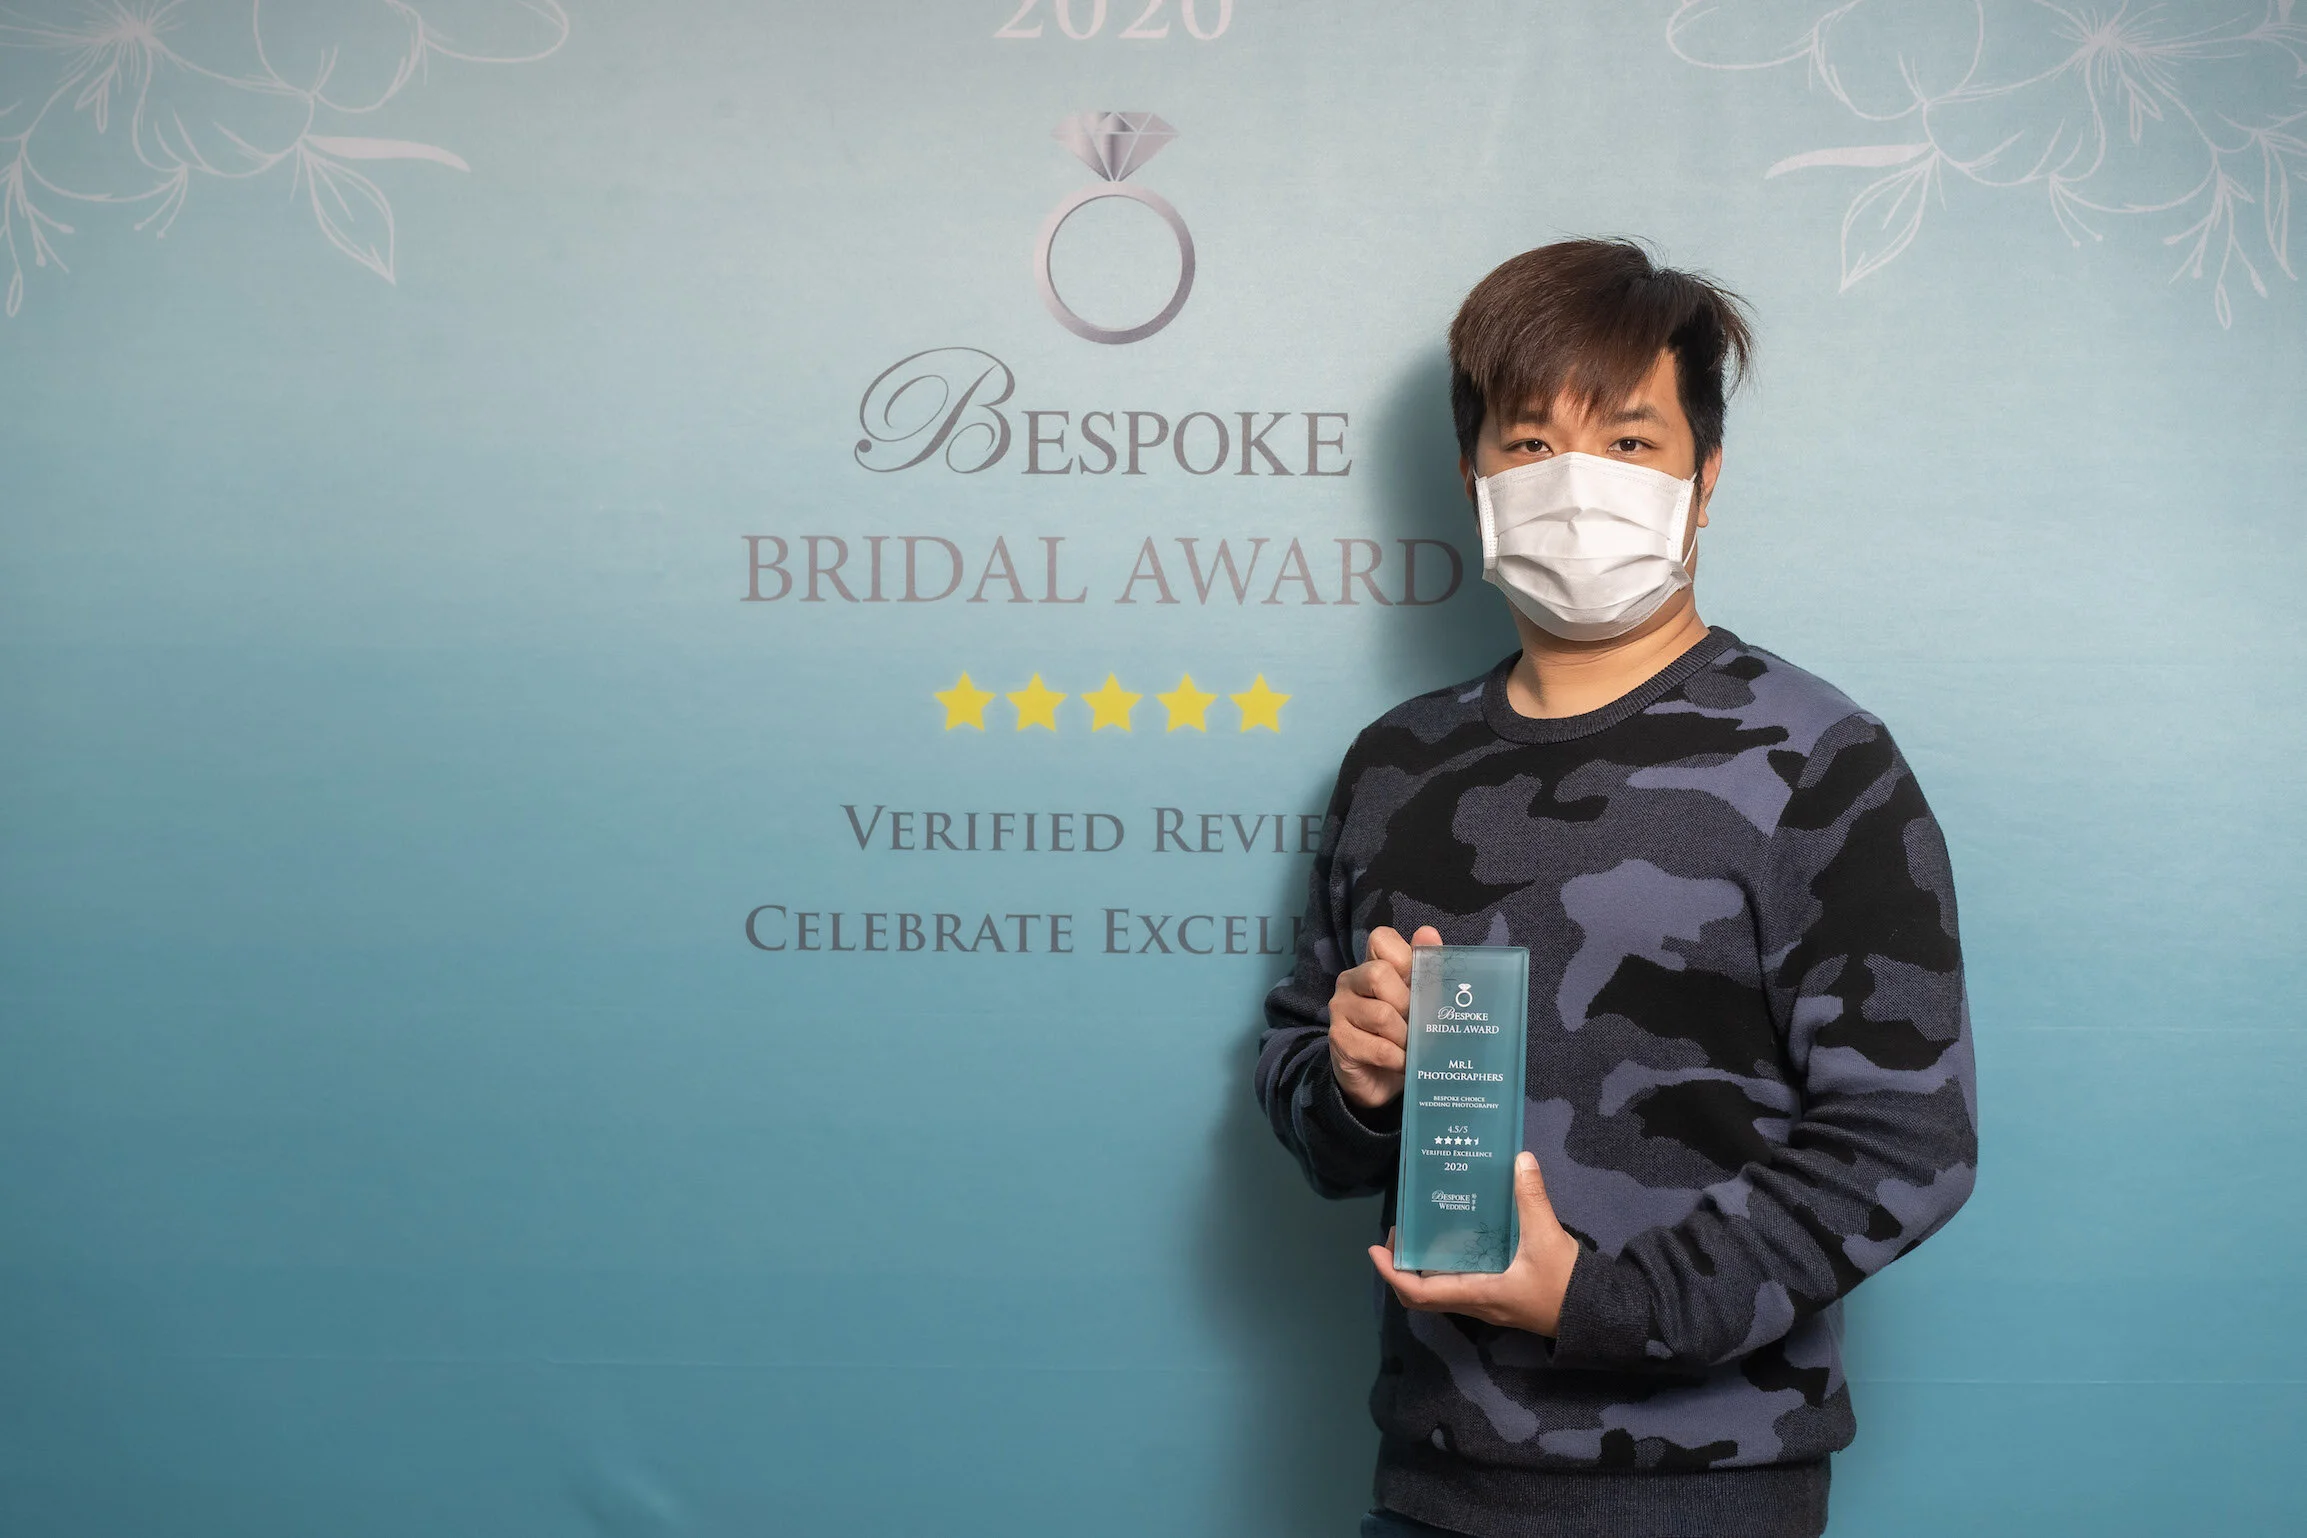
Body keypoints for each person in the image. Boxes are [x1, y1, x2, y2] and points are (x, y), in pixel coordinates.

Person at [1252, 239, 1979, 1538]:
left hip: (1704, 1494)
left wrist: (1601, 1303)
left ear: (1704, 478)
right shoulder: (1395, 764)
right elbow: (1305, 1093)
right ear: (1474, 475)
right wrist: (1351, 1080)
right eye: (1531, 442)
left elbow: (1907, 1140)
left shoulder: (1818, 762)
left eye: (1629, 442)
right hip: (1427, 1483)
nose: (1576, 485)